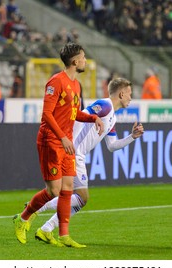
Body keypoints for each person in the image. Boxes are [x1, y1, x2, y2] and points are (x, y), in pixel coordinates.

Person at [24, 77, 144, 246]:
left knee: (79, 198)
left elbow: (112, 146)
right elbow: (81, 115)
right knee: (79, 196)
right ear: (122, 93)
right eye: (130, 94)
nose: (131, 98)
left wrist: (133, 137)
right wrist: (70, 144)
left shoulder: (112, 119)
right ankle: (38, 211)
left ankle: (46, 229)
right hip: (73, 152)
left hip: (78, 154)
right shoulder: (105, 105)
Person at [13, 42, 104, 248]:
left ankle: (63, 235)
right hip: (51, 141)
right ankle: (23, 217)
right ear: (74, 61)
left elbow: (74, 114)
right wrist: (62, 137)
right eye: (82, 57)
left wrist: (93, 118)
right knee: (54, 190)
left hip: (66, 142)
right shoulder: (56, 81)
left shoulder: (76, 85)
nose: (85, 60)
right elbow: (47, 114)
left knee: (68, 189)